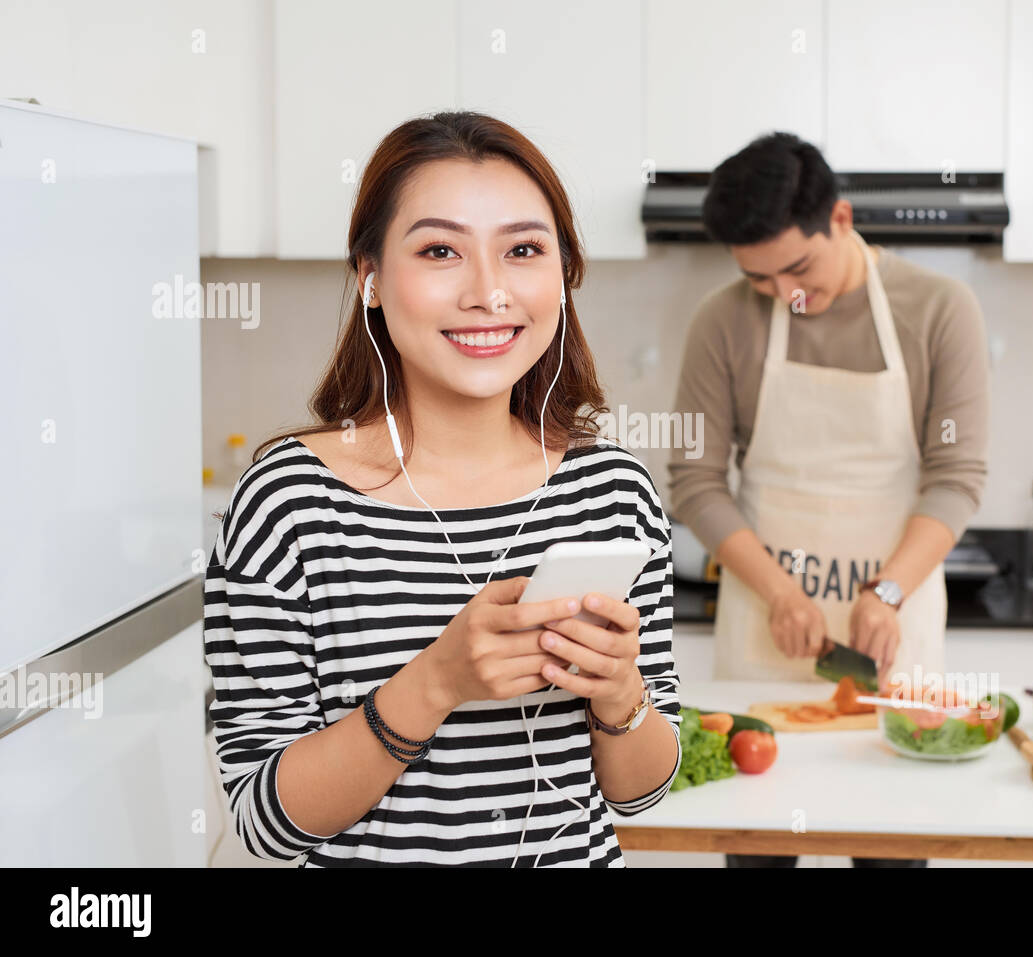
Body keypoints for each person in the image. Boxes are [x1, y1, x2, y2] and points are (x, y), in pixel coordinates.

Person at [203, 112, 681, 867]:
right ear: (371, 278)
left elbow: (641, 792)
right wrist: (437, 681)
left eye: (522, 249)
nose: (489, 293)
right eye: (439, 251)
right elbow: (265, 823)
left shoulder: (611, 490)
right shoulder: (290, 505)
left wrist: (620, 693)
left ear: (561, 275)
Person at [667, 132, 990, 868]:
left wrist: (889, 588)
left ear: (840, 218)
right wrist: (779, 591)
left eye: (798, 267)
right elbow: (696, 478)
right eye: (760, 279)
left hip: (894, 629)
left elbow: (957, 474)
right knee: (756, 847)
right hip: (764, 625)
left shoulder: (941, 309)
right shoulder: (721, 323)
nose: (789, 294)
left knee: (891, 847)